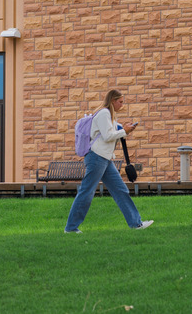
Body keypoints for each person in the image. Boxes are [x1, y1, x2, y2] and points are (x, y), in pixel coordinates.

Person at [64, 89, 153, 233]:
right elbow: (107, 136)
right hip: (96, 157)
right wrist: (125, 131)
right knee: (87, 191)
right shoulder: (104, 113)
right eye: (120, 102)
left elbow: (111, 133)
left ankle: (136, 224)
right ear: (113, 101)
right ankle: (71, 228)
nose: (122, 105)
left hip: (104, 159)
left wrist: (125, 128)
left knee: (120, 190)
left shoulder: (109, 116)